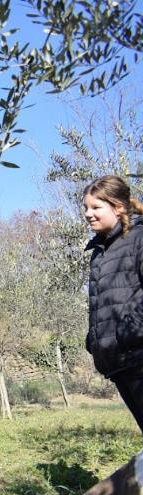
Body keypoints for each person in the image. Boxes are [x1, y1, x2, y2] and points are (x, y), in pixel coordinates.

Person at [84, 175, 143, 432]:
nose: (88, 214)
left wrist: (131, 332)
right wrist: (95, 339)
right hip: (119, 361)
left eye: (96, 207)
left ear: (118, 207)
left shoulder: (139, 239)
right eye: (85, 208)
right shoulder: (100, 252)